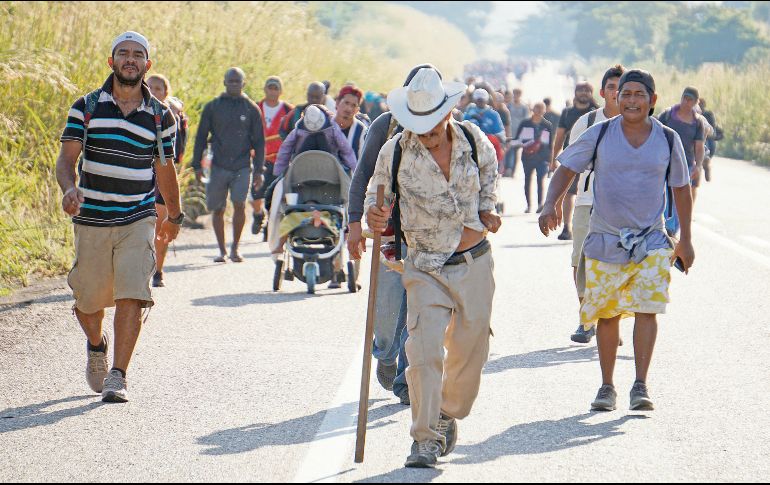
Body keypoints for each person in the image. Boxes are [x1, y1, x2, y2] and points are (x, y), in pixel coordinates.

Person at [365, 67, 501, 468]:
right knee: (423, 352)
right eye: (419, 129)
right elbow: (377, 200)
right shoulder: (395, 151)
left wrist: (488, 209)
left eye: (433, 127)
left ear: (447, 112)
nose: (427, 135)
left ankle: (445, 413)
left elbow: (490, 177)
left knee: (470, 354)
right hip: (424, 266)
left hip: (473, 262)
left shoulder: (474, 140)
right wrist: (373, 217)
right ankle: (424, 439)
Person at [539, 69, 695, 412]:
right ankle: (607, 386)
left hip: (651, 239)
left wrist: (685, 239)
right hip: (606, 237)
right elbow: (567, 169)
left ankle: (640, 385)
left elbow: (682, 189)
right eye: (626, 94)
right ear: (616, 97)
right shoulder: (600, 133)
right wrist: (551, 203)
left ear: (653, 100)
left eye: (639, 94)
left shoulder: (667, 139)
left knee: (647, 309)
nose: (632, 100)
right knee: (607, 315)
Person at [56, 31, 181, 403]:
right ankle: (97, 344)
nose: (130, 59)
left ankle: (118, 375)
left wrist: (174, 215)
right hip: (92, 218)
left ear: (147, 64)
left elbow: (165, 168)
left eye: (137, 54)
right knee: (88, 303)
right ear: (111, 61)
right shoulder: (86, 106)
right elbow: (67, 160)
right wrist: (69, 189)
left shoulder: (160, 116)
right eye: (123, 53)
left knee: (133, 292)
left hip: (137, 216)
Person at [349, 64, 442, 406]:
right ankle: (386, 353)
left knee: (419, 310)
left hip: (429, 235)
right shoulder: (385, 125)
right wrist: (354, 224)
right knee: (388, 314)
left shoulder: (450, 128)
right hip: (389, 230)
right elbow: (362, 176)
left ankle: (407, 379)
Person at [563, 65, 625, 344]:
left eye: (621, 88)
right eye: (611, 87)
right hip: (587, 201)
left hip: (624, 207)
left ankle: (609, 322)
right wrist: (555, 203)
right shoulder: (587, 122)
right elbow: (568, 164)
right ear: (602, 92)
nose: (616, 92)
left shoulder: (638, 125)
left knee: (617, 264)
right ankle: (586, 319)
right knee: (581, 260)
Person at [191, 67, 266, 263]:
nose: (234, 84)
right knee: (218, 208)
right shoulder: (213, 107)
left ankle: (235, 248)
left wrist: (259, 170)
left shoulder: (251, 109)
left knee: (240, 204)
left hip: (242, 165)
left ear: (243, 84)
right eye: (230, 81)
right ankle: (222, 250)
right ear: (224, 82)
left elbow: (259, 142)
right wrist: (197, 165)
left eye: (237, 81)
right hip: (218, 165)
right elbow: (201, 137)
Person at [146, 74, 188, 288]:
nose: (153, 91)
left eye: (158, 88)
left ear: (165, 92)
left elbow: (174, 155)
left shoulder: (170, 117)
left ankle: (158, 271)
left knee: (160, 227)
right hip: (141, 177)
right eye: (150, 87)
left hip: (162, 177)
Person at [551, 82, 598, 241]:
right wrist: (553, 159)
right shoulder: (567, 113)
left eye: (587, 90)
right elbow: (559, 136)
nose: (583, 93)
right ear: (575, 92)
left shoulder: (596, 113)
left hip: (593, 161)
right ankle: (567, 227)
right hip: (572, 159)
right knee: (568, 193)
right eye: (580, 90)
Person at [252, 76, 293, 235]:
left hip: (279, 161)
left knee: (274, 194)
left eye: (276, 88)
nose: (273, 91)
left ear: (281, 91)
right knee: (255, 195)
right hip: (258, 160)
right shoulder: (255, 107)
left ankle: (270, 225)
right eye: (270, 87)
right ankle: (258, 214)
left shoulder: (288, 110)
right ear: (265, 89)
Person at [658, 87, 708, 203]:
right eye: (684, 98)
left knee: (681, 202)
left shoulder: (697, 122)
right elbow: (655, 136)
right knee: (663, 200)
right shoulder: (667, 115)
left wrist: (698, 165)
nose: (686, 102)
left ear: (695, 102)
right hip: (664, 164)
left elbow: (699, 146)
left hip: (685, 166)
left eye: (690, 100)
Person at [513, 102, 554, 213]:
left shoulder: (547, 125)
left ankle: (540, 204)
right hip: (527, 157)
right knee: (527, 180)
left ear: (544, 110)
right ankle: (528, 205)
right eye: (537, 108)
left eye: (541, 108)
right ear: (533, 109)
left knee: (540, 180)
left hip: (542, 157)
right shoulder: (525, 123)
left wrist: (551, 160)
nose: (539, 110)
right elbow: (517, 139)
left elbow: (551, 144)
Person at [334, 85, 368, 162]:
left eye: (353, 105)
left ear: (357, 110)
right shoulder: (327, 125)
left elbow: (363, 162)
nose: (349, 109)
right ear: (337, 103)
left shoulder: (362, 131)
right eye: (346, 103)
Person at [505, 88, 529, 177]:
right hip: (510, 132)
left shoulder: (524, 107)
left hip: (519, 133)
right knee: (510, 150)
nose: (516, 96)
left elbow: (526, 121)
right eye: (515, 94)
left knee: (515, 152)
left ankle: (512, 170)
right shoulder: (509, 106)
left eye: (518, 94)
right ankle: (509, 169)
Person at [698, 97, 721, 182]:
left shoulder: (707, 115)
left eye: (701, 105)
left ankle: (705, 162)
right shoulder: (692, 114)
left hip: (706, 140)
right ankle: (705, 163)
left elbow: (711, 129)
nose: (700, 106)